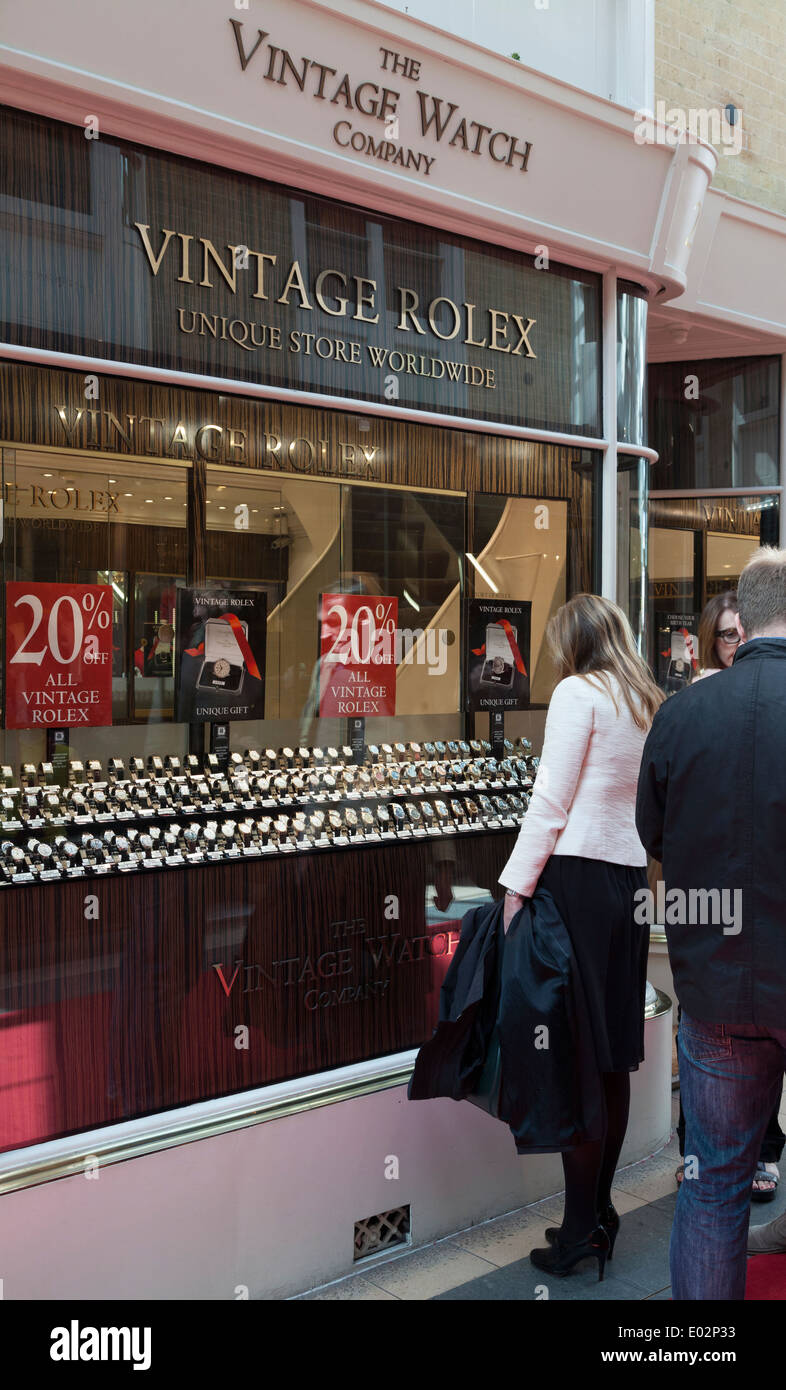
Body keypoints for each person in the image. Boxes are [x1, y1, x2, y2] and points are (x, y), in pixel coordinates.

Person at [636, 546, 786, 1301]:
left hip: (718, 990)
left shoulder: (684, 712)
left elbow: (652, 837)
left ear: (743, 619)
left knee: (713, 1186)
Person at [499, 594, 664, 1279]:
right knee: (612, 1057)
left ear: (569, 642)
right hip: (628, 886)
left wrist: (514, 888)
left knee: (574, 1058)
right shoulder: (644, 698)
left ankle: (577, 1233)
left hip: (575, 881)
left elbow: (551, 801)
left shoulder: (576, 692)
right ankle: (596, 1216)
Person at [673, 588, 783, 1201]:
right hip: (716, 926)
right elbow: (658, 821)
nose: (737, 644)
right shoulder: (692, 708)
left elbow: (653, 824)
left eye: (744, 632)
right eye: (727, 635)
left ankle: (757, 1152)